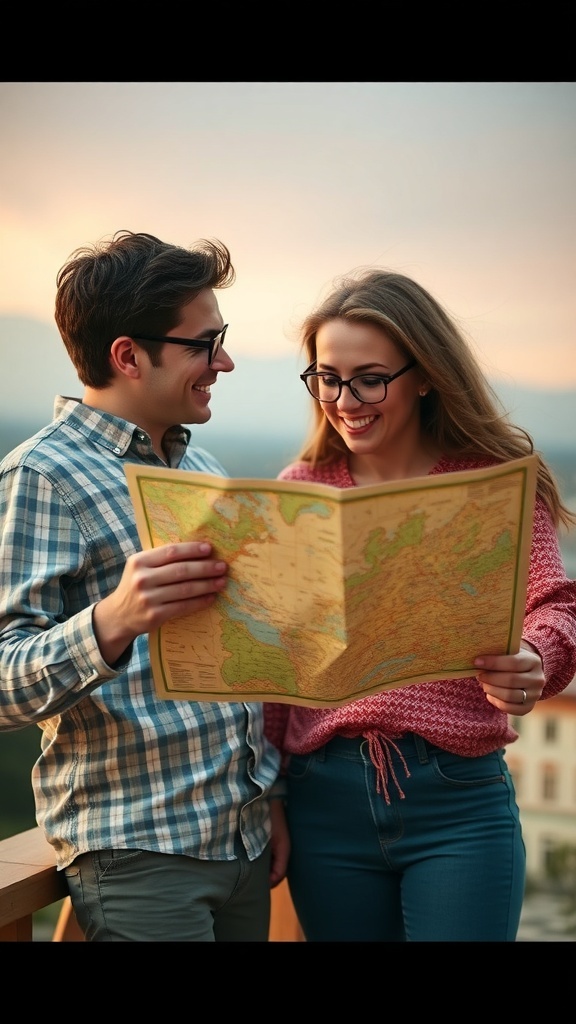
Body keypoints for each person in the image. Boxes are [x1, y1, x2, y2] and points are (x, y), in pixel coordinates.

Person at [264, 268, 576, 942]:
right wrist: (272, 797)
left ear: (426, 373)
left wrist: (533, 656)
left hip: (457, 802)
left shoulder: (494, 482)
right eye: (327, 377)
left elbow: (555, 605)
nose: (344, 400)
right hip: (322, 801)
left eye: (369, 377)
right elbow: (275, 667)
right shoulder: (301, 489)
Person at [0, 230, 289, 942]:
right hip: (140, 856)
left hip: (245, 845)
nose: (223, 360)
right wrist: (112, 620)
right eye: (203, 343)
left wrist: (269, 797)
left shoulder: (201, 473)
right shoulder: (41, 476)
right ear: (128, 356)